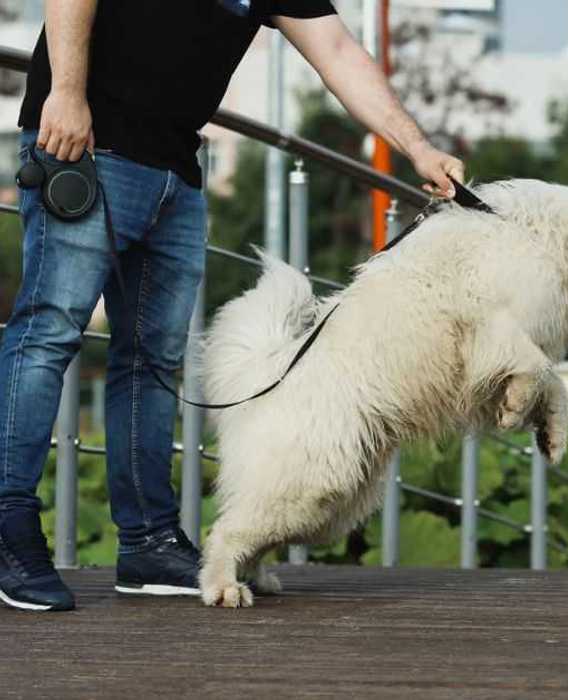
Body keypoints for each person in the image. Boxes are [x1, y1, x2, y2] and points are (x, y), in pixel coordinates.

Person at [0, 0, 465, 612]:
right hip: (86, 142)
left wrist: (418, 150)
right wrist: (65, 91)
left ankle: (147, 541)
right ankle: (8, 529)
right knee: (49, 332)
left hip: (175, 171)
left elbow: (339, 53)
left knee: (153, 359)